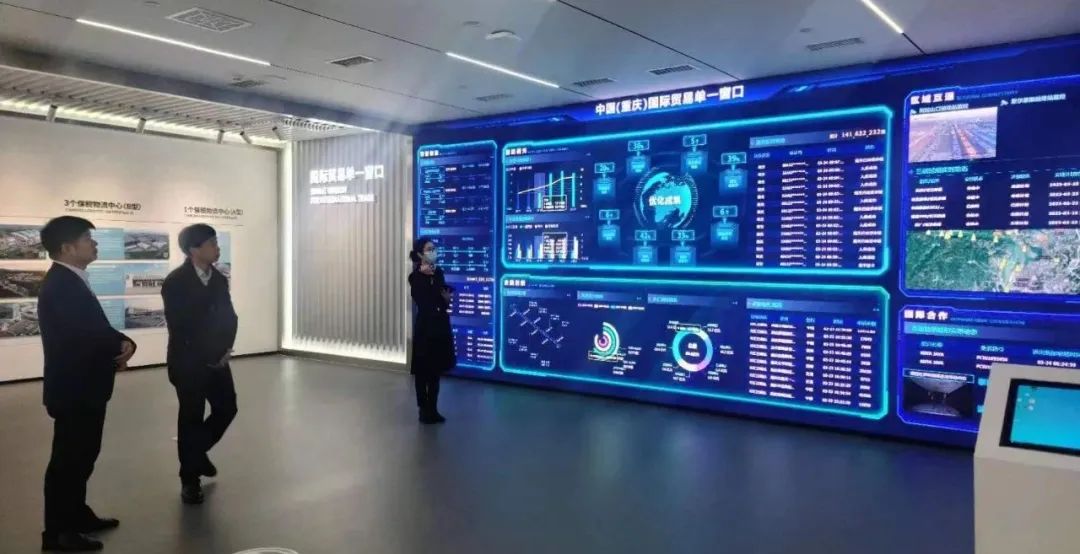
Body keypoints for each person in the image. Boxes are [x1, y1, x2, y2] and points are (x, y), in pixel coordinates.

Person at [38, 216, 137, 552]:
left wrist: (122, 342)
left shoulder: (71, 280)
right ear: (67, 247)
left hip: (84, 386)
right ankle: (58, 533)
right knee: (68, 462)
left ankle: (77, 515)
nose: (94, 244)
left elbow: (95, 328)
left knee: (82, 456)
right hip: (74, 389)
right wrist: (120, 347)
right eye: (87, 239)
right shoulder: (62, 284)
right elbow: (85, 334)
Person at [161, 224, 238, 505]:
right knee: (191, 418)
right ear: (194, 249)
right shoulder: (176, 282)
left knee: (227, 408)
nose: (217, 248)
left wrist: (226, 348)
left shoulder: (218, 279)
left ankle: (195, 453)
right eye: (212, 243)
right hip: (188, 362)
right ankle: (189, 480)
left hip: (218, 359)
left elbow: (229, 316)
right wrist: (210, 354)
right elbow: (181, 327)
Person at [408, 237, 456, 424]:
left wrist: (446, 300)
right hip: (425, 329)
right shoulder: (414, 277)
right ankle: (423, 410)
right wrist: (426, 278)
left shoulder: (439, 273)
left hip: (440, 327)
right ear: (420, 254)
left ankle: (433, 409)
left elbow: (441, 301)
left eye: (434, 248)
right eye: (429, 249)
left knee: (435, 372)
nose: (433, 252)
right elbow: (423, 302)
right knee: (423, 372)